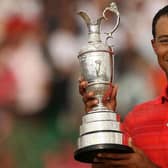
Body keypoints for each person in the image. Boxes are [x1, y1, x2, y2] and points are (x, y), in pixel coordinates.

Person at [79, 5, 168, 168]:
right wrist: (102, 123)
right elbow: (104, 165)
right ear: (154, 46)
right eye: (165, 41)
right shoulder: (135, 120)